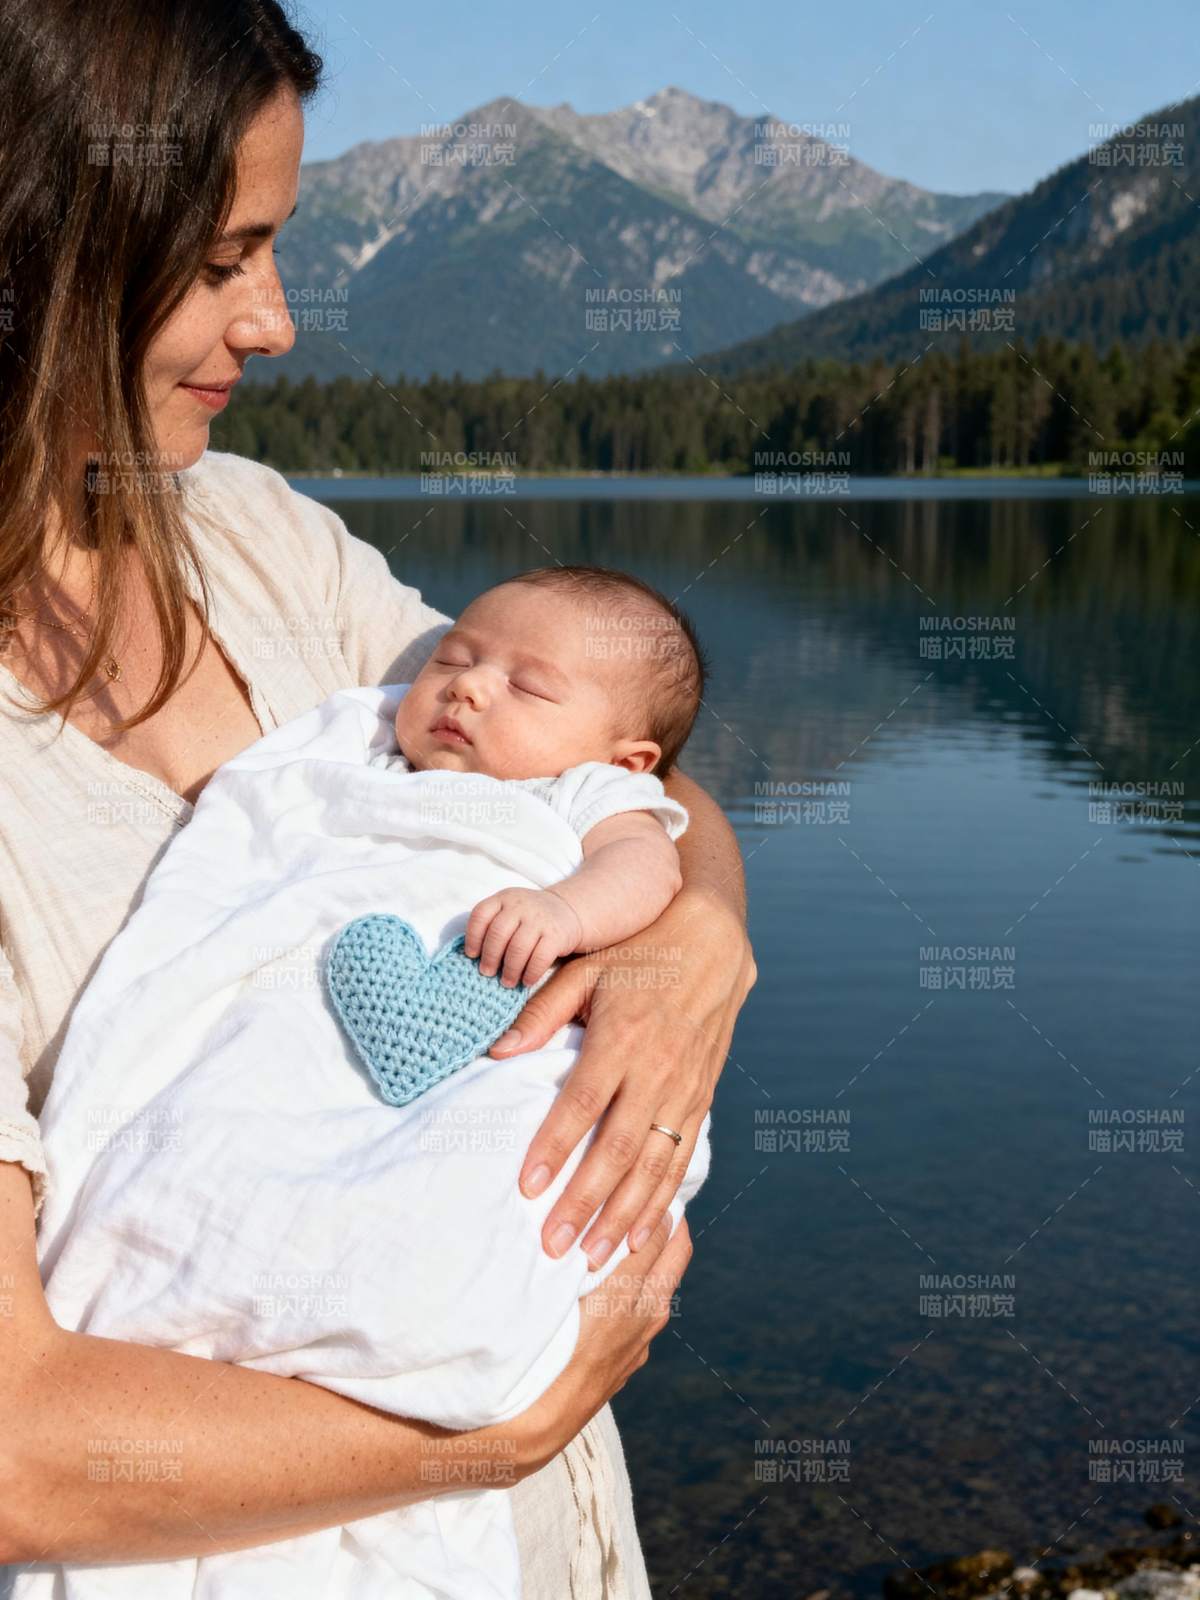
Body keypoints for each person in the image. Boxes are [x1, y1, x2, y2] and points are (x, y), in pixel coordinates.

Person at [0, 2, 756, 1593]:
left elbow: (614, 760)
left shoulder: (248, 535)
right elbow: (23, 1452)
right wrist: (495, 1429)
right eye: (221, 261)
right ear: (33, 252)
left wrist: (694, 947)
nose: (277, 323)